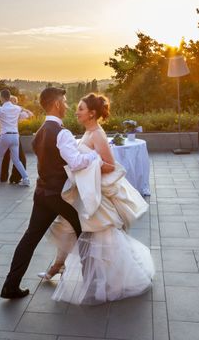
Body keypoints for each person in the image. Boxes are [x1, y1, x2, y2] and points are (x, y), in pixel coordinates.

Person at [47, 93, 155, 304]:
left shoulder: (97, 134)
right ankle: (61, 267)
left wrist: (88, 164)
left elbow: (110, 165)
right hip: (85, 192)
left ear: (92, 113)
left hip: (96, 195)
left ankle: (109, 279)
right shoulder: (88, 132)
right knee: (74, 230)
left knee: (102, 237)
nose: (76, 111)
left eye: (80, 108)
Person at [0, 87, 100, 299]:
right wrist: (94, 157)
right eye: (64, 101)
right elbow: (75, 163)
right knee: (84, 230)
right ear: (56, 104)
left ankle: (10, 286)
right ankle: (93, 283)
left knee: (29, 239)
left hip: (42, 193)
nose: (67, 105)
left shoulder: (40, 132)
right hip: (59, 197)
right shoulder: (61, 133)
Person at [0, 96, 32, 184]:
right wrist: (22, 109)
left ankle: (15, 178)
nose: (15, 103)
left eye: (16, 102)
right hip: (8, 136)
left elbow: (30, 114)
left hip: (13, 137)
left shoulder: (16, 111)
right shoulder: (4, 110)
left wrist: (22, 109)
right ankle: (3, 177)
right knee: (5, 158)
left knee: (19, 158)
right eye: (13, 101)